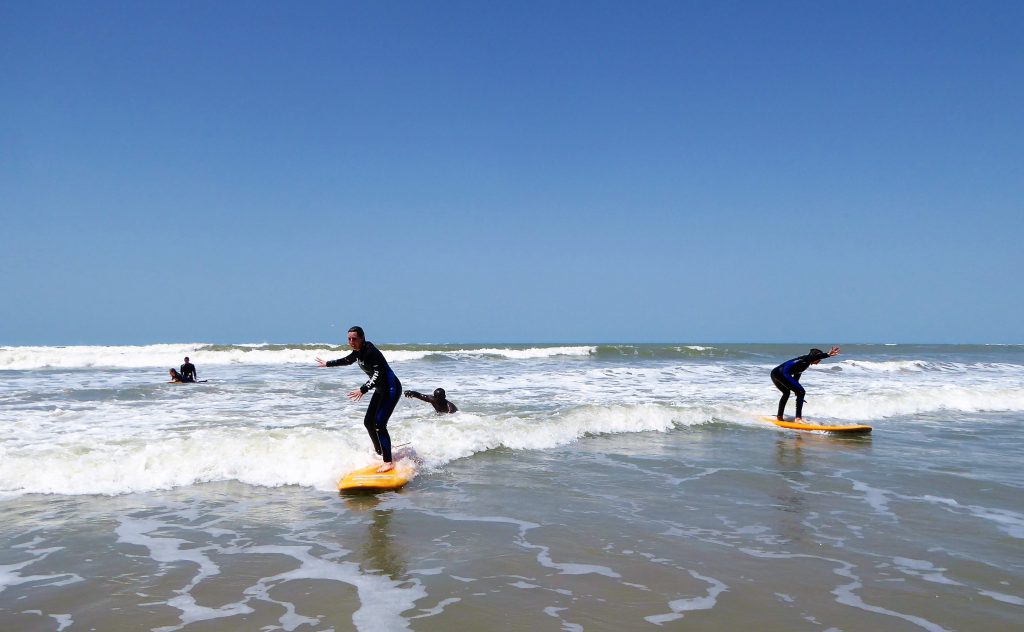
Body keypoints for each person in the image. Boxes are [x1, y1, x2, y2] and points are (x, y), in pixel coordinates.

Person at [316, 326, 403, 472]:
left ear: (362, 338)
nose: (351, 342)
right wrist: (328, 363)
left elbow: (378, 374)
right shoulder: (358, 352)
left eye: (354, 339)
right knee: (368, 422)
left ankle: (388, 462)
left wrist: (363, 389)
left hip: (391, 389)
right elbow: (348, 360)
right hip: (380, 390)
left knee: (380, 424)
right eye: (349, 339)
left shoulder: (370, 352)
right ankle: (380, 452)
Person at [771, 346, 841, 421]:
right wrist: (828, 354)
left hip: (775, 373)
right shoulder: (806, 359)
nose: (819, 361)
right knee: (801, 392)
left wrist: (799, 396)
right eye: (818, 359)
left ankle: (779, 416)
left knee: (787, 393)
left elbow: (795, 380)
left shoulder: (803, 363)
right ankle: (798, 418)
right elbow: (811, 357)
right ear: (814, 357)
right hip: (781, 374)